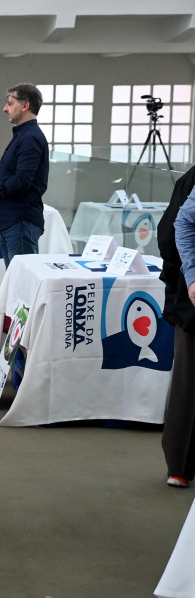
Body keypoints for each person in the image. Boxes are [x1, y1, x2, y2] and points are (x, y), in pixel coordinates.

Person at [0, 83, 48, 267]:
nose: (5, 108)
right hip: (13, 220)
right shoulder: (22, 136)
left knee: (23, 286)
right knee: (16, 284)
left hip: (21, 220)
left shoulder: (30, 138)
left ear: (25, 105)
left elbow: (22, 180)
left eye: (10, 103)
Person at [160, 165, 195, 489]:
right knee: (188, 379)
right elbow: (178, 226)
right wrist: (191, 277)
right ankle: (180, 465)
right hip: (193, 296)